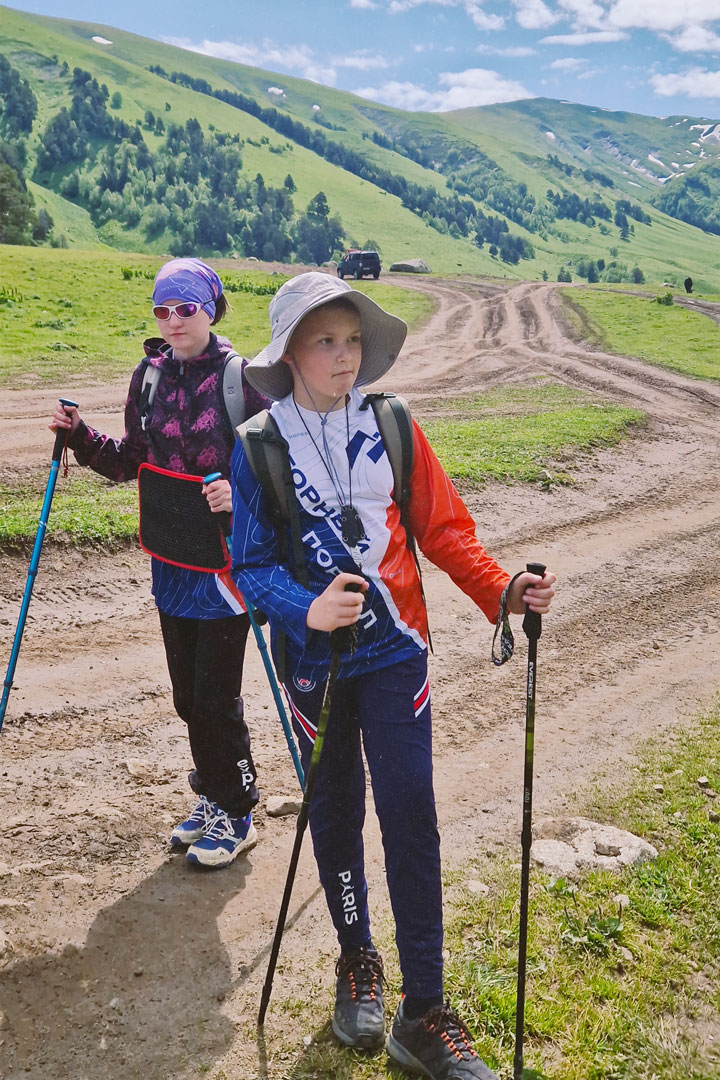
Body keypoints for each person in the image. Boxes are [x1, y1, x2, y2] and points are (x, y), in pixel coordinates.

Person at [229, 272, 556, 1079]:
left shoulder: (394, 424)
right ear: (289, 355)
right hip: (313, 665)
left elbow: (444, 530)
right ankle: (356, 960)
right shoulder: (257, 446)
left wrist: (500, 588)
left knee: (412, 814)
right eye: (324, 342)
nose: (345, 358)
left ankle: (424, 1013)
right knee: (335, 811)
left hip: (397, 651)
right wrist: (304, 610)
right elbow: (248, 564)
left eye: (352, 341)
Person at [49, 258, 270, 869]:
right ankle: (214, 792)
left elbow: (277, 467)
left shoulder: (241, 379)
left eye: (186, 308)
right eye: (162, 310)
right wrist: (78, 436)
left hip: (226, 565)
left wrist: (242, 493)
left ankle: (239, 808)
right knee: (184, 695)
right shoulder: (147, 378)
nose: (174, 321)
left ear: (210, 308)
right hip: (171, 555)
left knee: (214, 696)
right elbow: (130, 459)